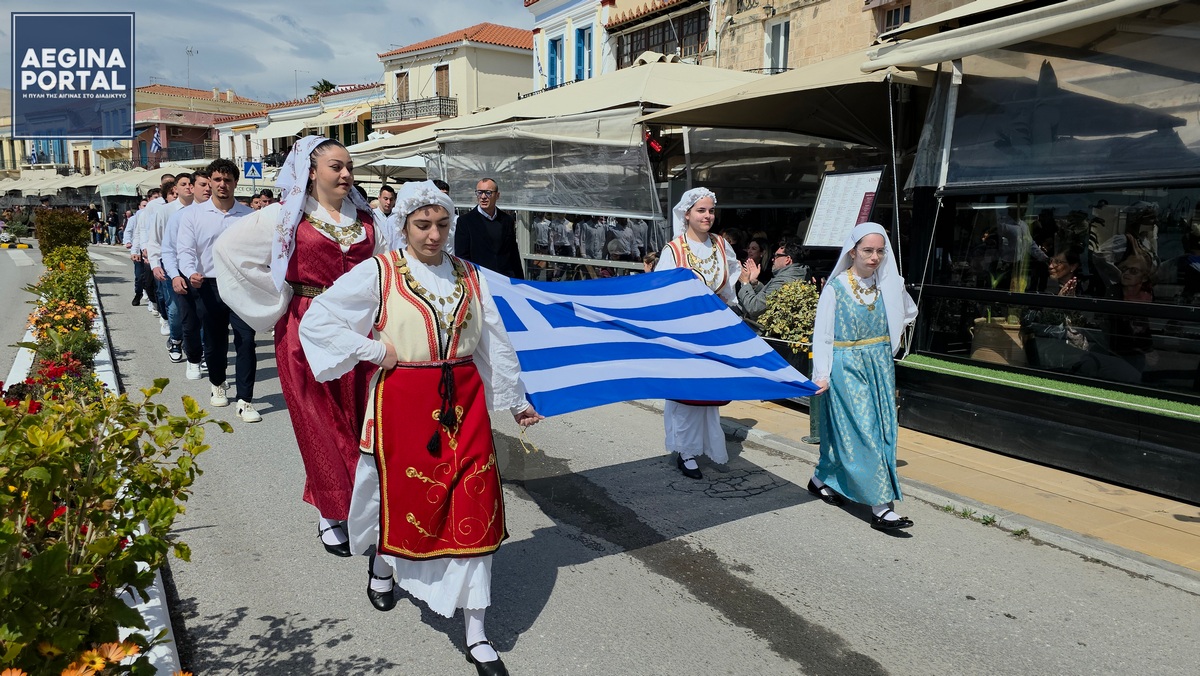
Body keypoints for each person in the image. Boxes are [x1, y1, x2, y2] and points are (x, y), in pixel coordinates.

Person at [299, 180, 542, 675]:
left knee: (475, 500)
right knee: (401, 497)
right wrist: (374, 351)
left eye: (442, 225)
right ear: (403, 226)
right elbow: (318, 320)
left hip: (464, 401)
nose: (434, 235)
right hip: (402, 404)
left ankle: (476, 631)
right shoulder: (381, 272)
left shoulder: (470, 276)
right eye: (422, 225)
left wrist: (514, 400)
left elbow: (492, 340)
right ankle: (385, 565)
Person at [214, 136, 389, 558]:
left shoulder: (366, 218)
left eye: (349, 166)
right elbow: (229, 251)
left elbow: (387, 265)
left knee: (358, 418)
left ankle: (362, 502)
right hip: (306, 328)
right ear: (312, 172)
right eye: (336, 166)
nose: (346, 173)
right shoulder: (285, 216)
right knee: (317, 421)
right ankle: (331, 511)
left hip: (359, 328)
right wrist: (281, 297)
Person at [808, 222, 918, 531]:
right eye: (868, 251)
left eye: (880, 251)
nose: (874, 257)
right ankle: (880, 506)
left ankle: (820, 479)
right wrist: (822, 374)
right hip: (847, 364)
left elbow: (909, 312)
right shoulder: (837, 287)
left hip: (879, 363)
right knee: (863, 429)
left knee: (879, 427)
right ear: (853, 251)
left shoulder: (888, 285)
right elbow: (824, 335)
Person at [654, 187, 740, 479]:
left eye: (711, 210)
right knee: (686, 395)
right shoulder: (674, 250)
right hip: (684, 333)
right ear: (687, 214)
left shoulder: (721, 245)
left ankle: (706, 445)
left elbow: (729, 286)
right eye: (701, 210)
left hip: (713, 330)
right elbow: (660, 292)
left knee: (708, 393)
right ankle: (685, 451)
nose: (707, 216)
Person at [176, 159, 259, 421]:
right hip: (209, 284)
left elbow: (259, 250)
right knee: (215, 341)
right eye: (218, 180)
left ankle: (245, 400)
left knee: (246, 340)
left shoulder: (248, 216)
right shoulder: (193, 215)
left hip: (240, 284)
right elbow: (186, 250)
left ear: (236, 183)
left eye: (228, 180)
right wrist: (190, 273)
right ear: (210, 182)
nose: (223, 185)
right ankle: (218, 382)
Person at [167, 170, 212, 374]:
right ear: (192, 188)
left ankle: (208, 357)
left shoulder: (225, 215)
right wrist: (175, 275)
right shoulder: (180, 217)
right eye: (203, 185)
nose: (208, 189)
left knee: (214, 323)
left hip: (215, 279)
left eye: (210, 184)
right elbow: (168, 250)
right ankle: (193, 358)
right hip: (187, 277)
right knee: (190, 322)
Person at [455, 178, 524, 279]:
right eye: (479, 193)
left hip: (505, 279)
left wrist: (520, 281)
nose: (483, 197)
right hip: (480, 279)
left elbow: (513, 253)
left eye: (488, 193)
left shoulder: (507, 220)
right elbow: (462, 257)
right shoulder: (465, 221)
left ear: (497, 195)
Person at [738, 236, 811, 320]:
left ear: (787, 259)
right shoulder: (796, 273)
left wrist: (745, 283)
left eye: (776, 256)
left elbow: (754, 308)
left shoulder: (784, 280)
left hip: (758, 328)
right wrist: (754, 282)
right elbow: (768, 297)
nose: (773, 259)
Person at [124, 198, 150, 306]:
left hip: (149, 249)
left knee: (149, 277)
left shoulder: (152, 216)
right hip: (138, 249)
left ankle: (150, 295)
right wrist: (128, 242)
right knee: (139, 276)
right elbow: (130, 232)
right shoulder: (134, 219)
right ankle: (138, 293)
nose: (146, 208)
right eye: (144, 205)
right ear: (139, 207)